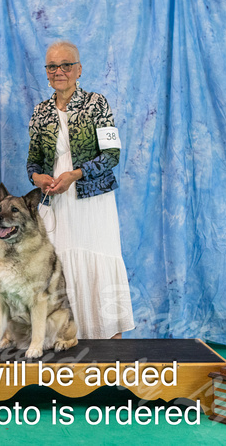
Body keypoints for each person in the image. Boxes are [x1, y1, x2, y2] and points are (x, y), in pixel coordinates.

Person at [27, 41, 134, 340]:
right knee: (56, 266)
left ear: (79, 70)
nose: (59, 71)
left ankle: (110, 341)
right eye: (52, 66)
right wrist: (38, 178)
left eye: (66, 65)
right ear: (46, 73)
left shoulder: (97, 103)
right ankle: (62, 337)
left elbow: (112, 154)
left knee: (100, 261)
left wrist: (75, 174)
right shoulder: (40, 111)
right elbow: (32, 161)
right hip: (55, 200)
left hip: (92, 199)